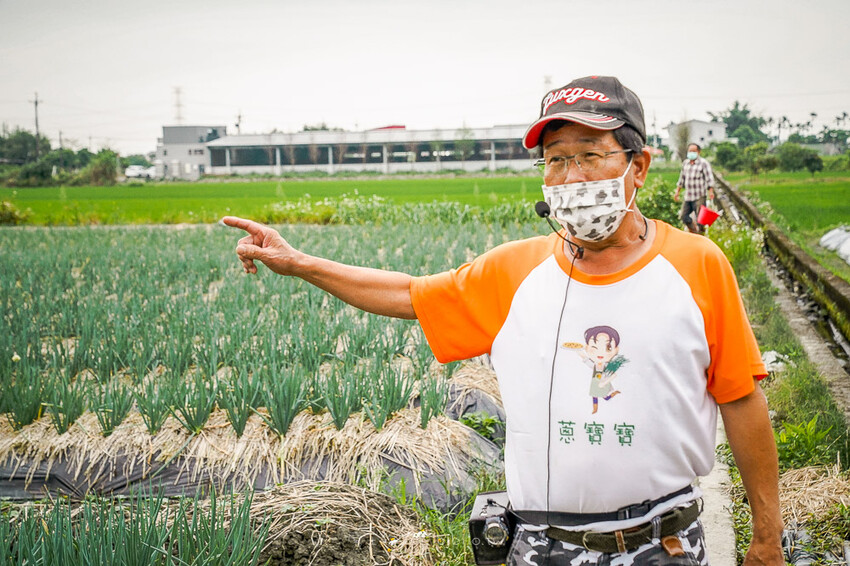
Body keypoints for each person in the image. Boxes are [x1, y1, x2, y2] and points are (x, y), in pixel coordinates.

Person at [222, 75, 783, 566]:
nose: (571, 176)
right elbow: (408, 295)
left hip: (661, 545)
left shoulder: (695, 265)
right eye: (556, 159)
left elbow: (740, 398)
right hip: (543, 547)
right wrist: (300, 263)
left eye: (590, 155)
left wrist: (766, 536)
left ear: (638, 166)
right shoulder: (516, 271)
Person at [674, 144, 716, 234]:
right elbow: (681, 179)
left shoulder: (703, 163)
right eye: (690, 151)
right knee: (683, 216)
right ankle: (694, 232)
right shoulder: (685, 163)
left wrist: (711, 191)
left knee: (700, 220)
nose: (691, 153)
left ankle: (701, 235)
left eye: (693, 151)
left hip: (699, 195)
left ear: (698, 152)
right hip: (688, 196)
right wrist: (677, 192)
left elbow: (709, 178)